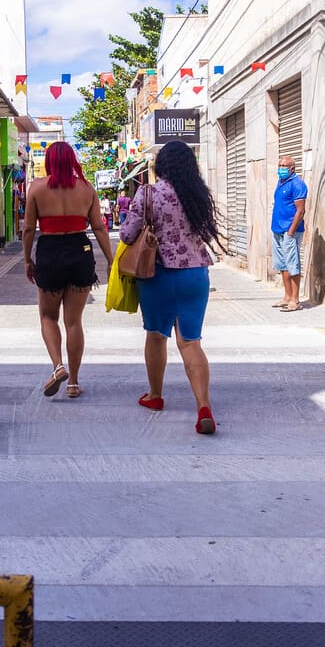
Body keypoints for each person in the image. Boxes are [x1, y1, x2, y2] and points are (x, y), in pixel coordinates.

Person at [119, 140, 221, 435]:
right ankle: (203, 406)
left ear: (160, 165)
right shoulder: (198, 194)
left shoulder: (148, 193)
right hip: (195, 276)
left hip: (157, 275)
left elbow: (126, 235)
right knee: (191, 342)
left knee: (156, 335)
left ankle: (155, 395)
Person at [23, 141, 113, 400]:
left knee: (48, 317)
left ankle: (57, 366)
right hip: (79, 252)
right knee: (74, 321)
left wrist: (27, 259)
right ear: (72, 160)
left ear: (49, 161)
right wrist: (110, 259)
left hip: (50, 252)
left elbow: (29, 229)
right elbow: (99, 227)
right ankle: (73, 382)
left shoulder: (37, 188)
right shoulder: (87, 189)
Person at [271, 155, 308, 312]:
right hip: (278, 229)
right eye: (279, 165)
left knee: (293, 264)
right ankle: (287, 296)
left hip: (290, 231)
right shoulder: (281, 182)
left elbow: (300, 211)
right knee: (283, 264)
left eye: (284, 166)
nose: (281, 168)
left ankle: (295, 300)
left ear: (292, 168)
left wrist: (291, 231)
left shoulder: (298, 184)